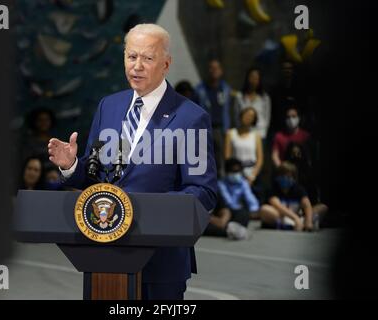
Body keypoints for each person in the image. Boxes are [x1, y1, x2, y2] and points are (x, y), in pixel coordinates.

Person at [47, 24, 217, 300]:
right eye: (131, 56)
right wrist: (72, 166)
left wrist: (142, 211)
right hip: (103, 255)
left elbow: (202, 193)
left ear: (166, 63)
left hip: (160, 263)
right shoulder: (108, 106)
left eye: (147, 58)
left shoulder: (191, 118)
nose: (137, 66)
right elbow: (97, 177)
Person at [260, 161, 328, 232]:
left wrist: (308, 220)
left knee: (322, 207)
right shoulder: (272, 189)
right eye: (283, 176)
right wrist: (296, 219)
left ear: (294, 178)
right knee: (264, 209)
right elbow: (277, 205)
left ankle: (304, 223)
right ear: (277, 177)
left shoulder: (298, 189)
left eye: (289, 176)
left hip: (299, 216)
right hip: (282, 217)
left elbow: (306, 204)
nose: (285, 178)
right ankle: (291, 224)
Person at [204, 158, 260, 240]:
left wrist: (254, 211)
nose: (236, 174)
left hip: (233, 212)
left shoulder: (243, 183)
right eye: (233, 171)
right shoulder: (220, 184)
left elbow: (251, 200)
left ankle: (231, 228)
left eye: (238, 171)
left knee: (244, 214)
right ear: (227, 172)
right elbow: (227, 203)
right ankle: (231, 230)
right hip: (223, 211)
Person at [195, 59, 232, 177]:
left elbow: (230, 110)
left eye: (216, 68)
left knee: (220, 160)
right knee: (204, 160)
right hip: (204, 128)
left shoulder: (226, 89)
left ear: (221, 71)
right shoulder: (199, 89)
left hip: (221, 129)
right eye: (211, 68)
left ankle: (220, 188)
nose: (214, 71)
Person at [225, 107, 263, 198]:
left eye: (251, 116)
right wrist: (235, 173)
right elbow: (227, 156)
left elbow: (260, 159)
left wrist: (252, 176)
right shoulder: (230, 133)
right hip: (235, 174)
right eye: (246, 115)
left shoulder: (256, 135)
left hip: (252, 175)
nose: (248, 117)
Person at [234, 67, 271, 140]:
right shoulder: (239, 96)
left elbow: (267, 118)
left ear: (259, 80)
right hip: (243, 133)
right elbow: (236, 116)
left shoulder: (265, 98)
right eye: (252, 77)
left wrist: (264, 132)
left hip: (260, 134)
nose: (254, 80)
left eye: (256, 78)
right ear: (247, 78)